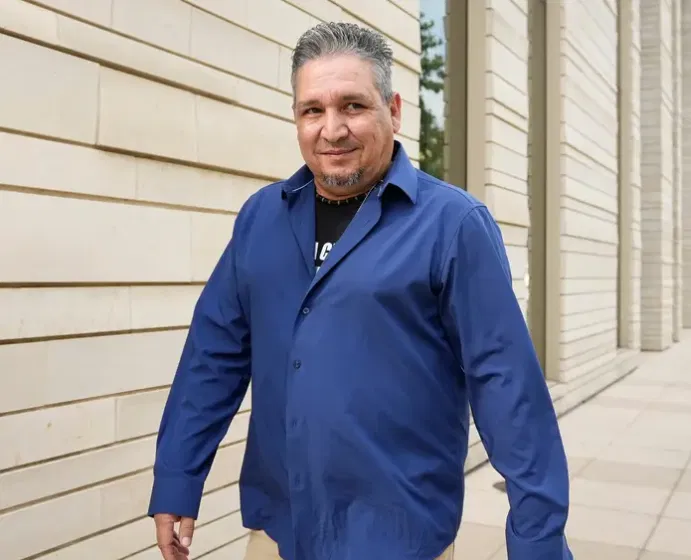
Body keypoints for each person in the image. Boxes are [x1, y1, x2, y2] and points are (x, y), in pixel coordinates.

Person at [147, 22, 573, 560]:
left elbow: (508, 392)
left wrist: (537, 544)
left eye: (352, 106)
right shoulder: (261, 220)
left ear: (393, 111)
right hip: (279, 535)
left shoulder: (452, 225)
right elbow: (212, 358)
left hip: (396, 541)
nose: (332, 129)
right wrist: (177, 480)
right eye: (312, 110)